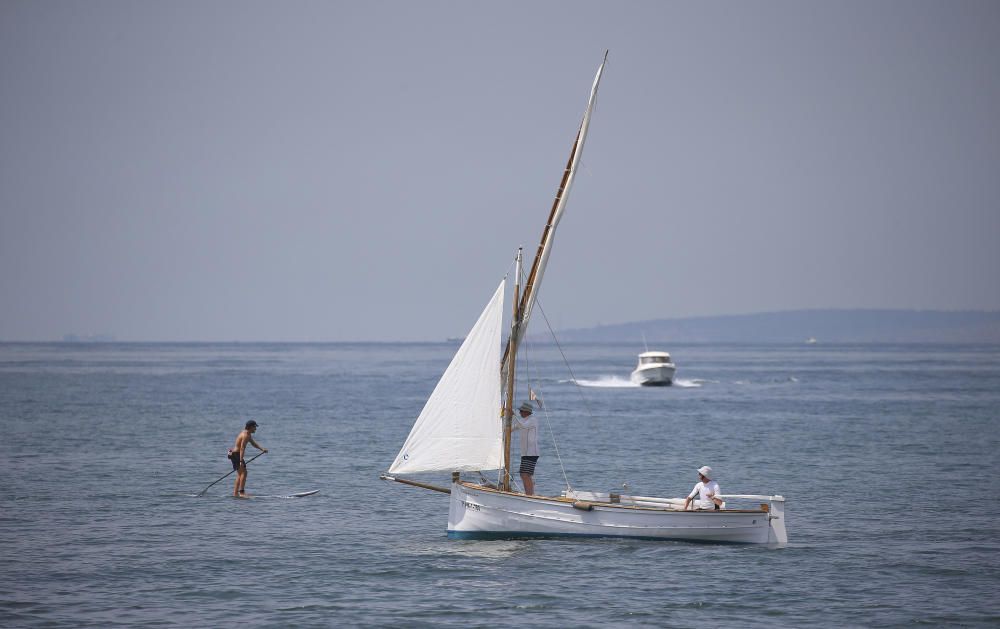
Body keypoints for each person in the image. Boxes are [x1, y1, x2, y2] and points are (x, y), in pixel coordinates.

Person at [228, 419, 267, 497]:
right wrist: (240, 460)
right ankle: (241, 493)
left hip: (235, 454)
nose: (255, 429)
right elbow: (242, 448)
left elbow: (253, 443)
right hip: (237, 455)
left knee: (240, 474)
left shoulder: (247, 434)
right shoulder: (245, 435)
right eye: (254, 427)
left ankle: (235, 494)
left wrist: (262, 449)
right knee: (244, 473)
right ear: (250, 427)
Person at [512, 401, 539, 495]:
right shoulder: (523, 420)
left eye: (521, 411)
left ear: (527, 411)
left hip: (531, 453)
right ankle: (529, 493)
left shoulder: (532, 420)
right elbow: (514, 427)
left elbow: (523, 426)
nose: (520, 413)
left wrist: (513, 416)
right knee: (524, 475)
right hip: (525, 453)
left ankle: (530, 494)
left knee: (525, 474)